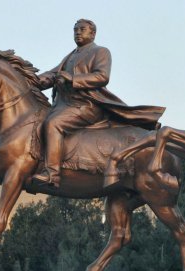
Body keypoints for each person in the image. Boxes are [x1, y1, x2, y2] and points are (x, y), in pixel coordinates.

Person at [32, 19, 164, 187]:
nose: (77, 32)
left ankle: (52, 173)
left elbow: (102, 76)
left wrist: (73, 78)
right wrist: (31, 80)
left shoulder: (100, 52)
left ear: (92, 33)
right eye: (75, 30)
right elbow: (51, 75)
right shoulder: (70, 56)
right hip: (66, 106)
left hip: (88, 105)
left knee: (53, 124)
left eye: (82, 29)